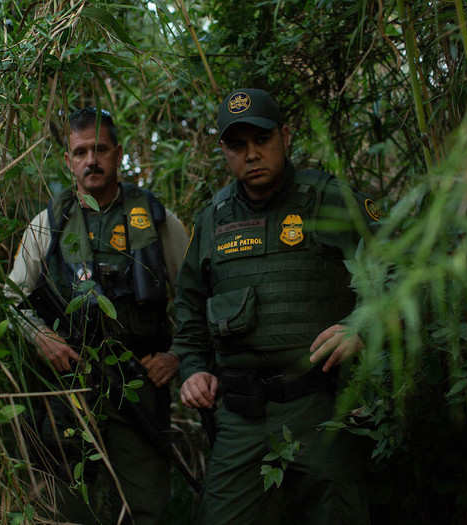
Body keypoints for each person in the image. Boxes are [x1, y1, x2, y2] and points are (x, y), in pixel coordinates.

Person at [172, 89, 380, 524]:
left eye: (261, 140)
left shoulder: (325, 197)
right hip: (240, 416)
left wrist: (363, 322)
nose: (252, 155)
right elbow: (189, 304)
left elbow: (400, 254)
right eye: (237, 145)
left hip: (320, 407)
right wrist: (193, 369)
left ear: (285, 136)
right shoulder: (214, 217)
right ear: (224, 151)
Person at [5, 107, 189, 524]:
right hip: (73, 389)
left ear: (118, 154)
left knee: (147, 506)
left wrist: (176, 355)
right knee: (69, 506)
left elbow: (199, 295)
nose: (92, 160)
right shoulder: (47, 224)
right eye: (81, 151)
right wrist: (40, 337)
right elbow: (10, 296)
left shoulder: (157, 220)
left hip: (140, 383)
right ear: (68, 160)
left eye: (101, 149)